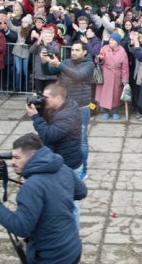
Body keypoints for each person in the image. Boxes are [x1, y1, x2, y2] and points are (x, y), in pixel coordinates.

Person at [0, 133, 87, 264]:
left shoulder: (32, 186)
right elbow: (81, 192)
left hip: (51, 257)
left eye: (16, 157)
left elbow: (21, 228)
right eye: (11, 157)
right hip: (72, 248)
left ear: (32, 156)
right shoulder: (62, 167)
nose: (12, 162)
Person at [26, 83, 84, 226]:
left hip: (68, 165)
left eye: (46, 98)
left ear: (58, 98)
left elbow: (49, 135)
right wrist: (39, 108)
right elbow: (49, 122)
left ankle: (73, 235)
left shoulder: (67, 116)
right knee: (59, 202)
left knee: (70, 204)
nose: (43, 100)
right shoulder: (61, 106)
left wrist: (35, 117)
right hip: (61, 160)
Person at [43, 42, 95, 106]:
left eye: (77, 50)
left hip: (81, 104)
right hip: (65, 101)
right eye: (72, 50)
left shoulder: (89, 64)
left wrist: (58, 64)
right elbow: (48, 72)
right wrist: (44, 62)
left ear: (84, 52)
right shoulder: (66, 62)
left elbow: (78, 75)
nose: (74, 52)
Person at [95, 33, 129, 120]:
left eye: (113, 40)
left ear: (117, 42)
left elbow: (125, 66)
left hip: (116, 75)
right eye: (110, 39)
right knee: (104, 94)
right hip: (105, 74)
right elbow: (99, 61)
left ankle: (115, 111)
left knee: (115, 95)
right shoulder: (105, 49)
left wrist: (125, 79)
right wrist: (99, 59)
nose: (110, 41)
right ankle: (105, 111)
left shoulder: (122, 51)